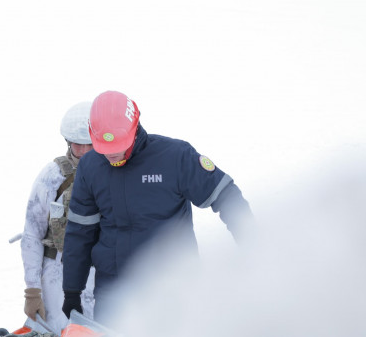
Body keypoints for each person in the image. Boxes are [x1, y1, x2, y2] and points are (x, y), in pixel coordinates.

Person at [62, 90, 254, 323]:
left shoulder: (174, 157)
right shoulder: (90, 167)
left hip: (172, 289)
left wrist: (252, 244)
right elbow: (80, 231)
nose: (111, 154)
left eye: (118, 146)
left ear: (133, 129)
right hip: (115, 295)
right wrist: (72, 290)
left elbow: (225, 195)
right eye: (104, 148)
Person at [21, 101, 96, 335]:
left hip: (101, 276)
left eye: (88, 144)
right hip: (57, 278)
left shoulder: (114, 174)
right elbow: (32, 233)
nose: (82, 151)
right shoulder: (51, 177)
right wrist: (33, 291)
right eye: (77, 144)